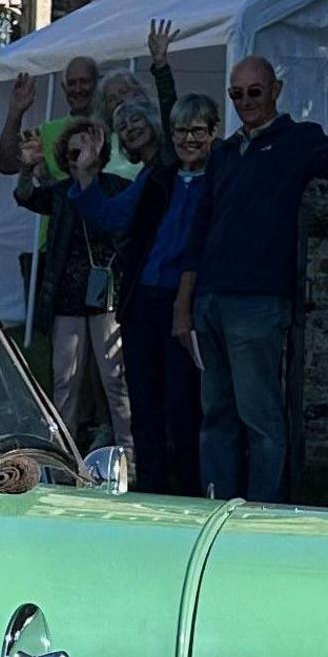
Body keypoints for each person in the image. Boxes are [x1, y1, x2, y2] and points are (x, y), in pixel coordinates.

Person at [176, 44, 328, 502]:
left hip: (256, 300)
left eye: (255, 92)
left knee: (260, 417)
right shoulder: (226, 152)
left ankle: (262, 512)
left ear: (275, 90)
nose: (247, 101)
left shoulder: (297, 140)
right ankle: (217, 506)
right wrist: (185, 304)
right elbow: (199, 230)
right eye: (237, 95)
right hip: (212, 298)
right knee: (216, 414)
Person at [0, 72, 137, 451]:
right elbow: (25, 196)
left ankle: (129, 455)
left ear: (101, 153)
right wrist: (27, 167)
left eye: (87, 151)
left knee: (115, 380)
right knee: (65, 380)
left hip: (107, 297)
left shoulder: (117, 188)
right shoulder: (61, 193)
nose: (80, 160)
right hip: (67, 299)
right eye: (73, 154)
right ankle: (66, 458)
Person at [117, 73, 218, 494]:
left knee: (182, 404)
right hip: (144, 300)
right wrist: (81, 180)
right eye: (180, 130)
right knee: (144, 402)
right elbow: (117, 219)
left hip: (187, 302)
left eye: (197, 130)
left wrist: (162, 69)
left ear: (213, 133)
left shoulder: (220, 180)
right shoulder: (161, 178)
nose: (188, 139)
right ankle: (152, 489)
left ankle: (187, 492)